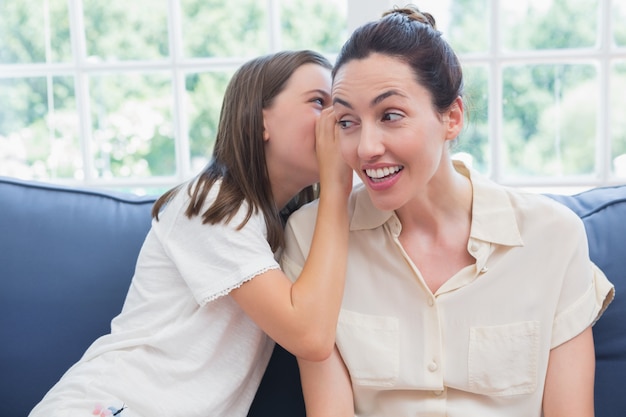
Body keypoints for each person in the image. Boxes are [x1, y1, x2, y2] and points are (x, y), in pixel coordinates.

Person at [281, 6, 614, 417]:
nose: (366, 148)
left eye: (390, 115)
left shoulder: (553, 237)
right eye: (347, 121)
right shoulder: (311, 235)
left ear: (451, 117)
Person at [29, 50, 352, 417]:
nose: (335, 118)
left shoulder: (285, 228)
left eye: (340, 108)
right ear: (261, 120)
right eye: (318, 102)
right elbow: (310, 335)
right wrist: (337, 188)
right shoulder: (213, 202)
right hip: (108, 404)